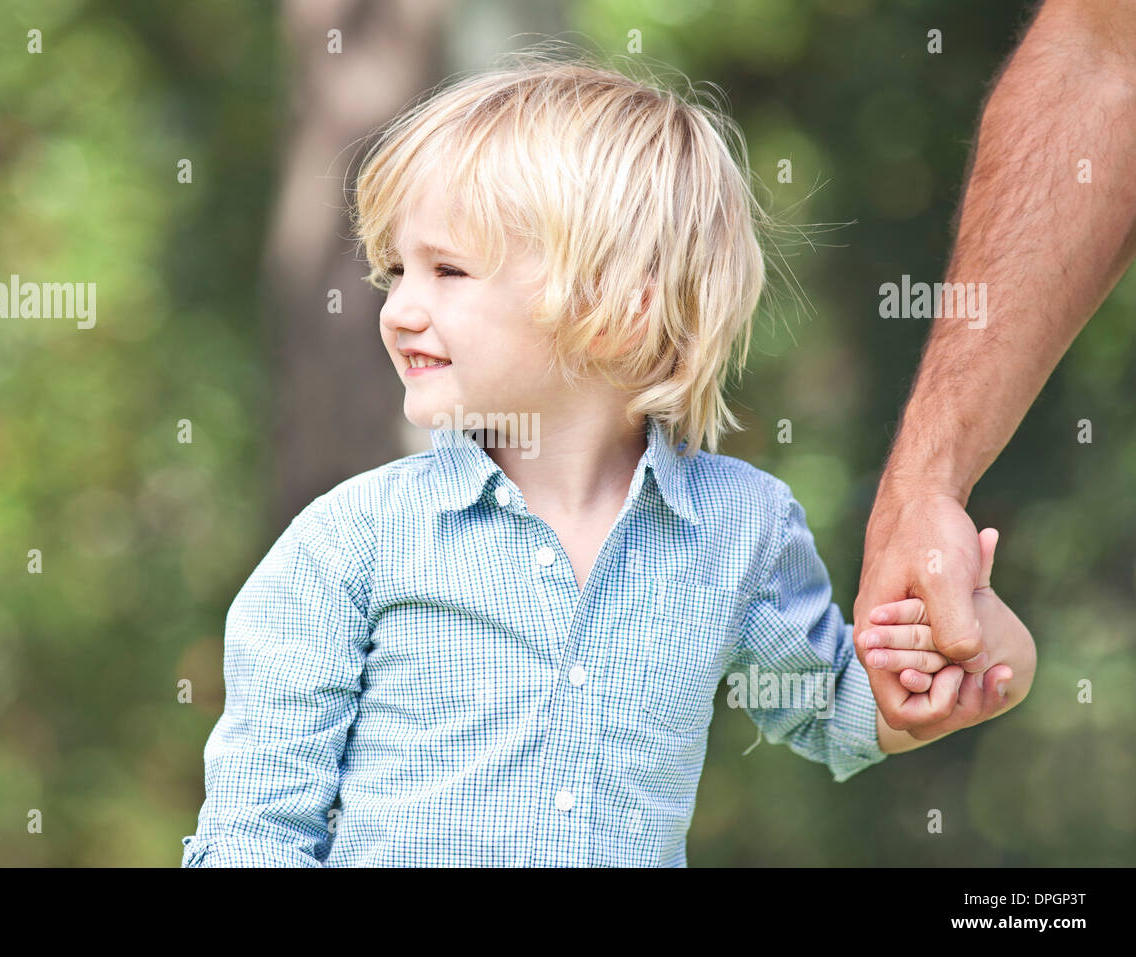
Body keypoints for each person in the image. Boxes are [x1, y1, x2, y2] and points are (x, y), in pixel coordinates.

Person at [182, 52, 1036, 868]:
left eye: (448, 270)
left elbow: (835, 708)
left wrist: (965, 646)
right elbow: (257, 827)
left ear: (619, 308)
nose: (400, 307)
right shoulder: (348, 544)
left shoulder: (742, 526)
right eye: (394, 269)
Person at [854, 0, 1136, 735]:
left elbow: (838, 709)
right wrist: (924, 486)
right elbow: (1105, 59)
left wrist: (983, 656)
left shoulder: (731, 524)